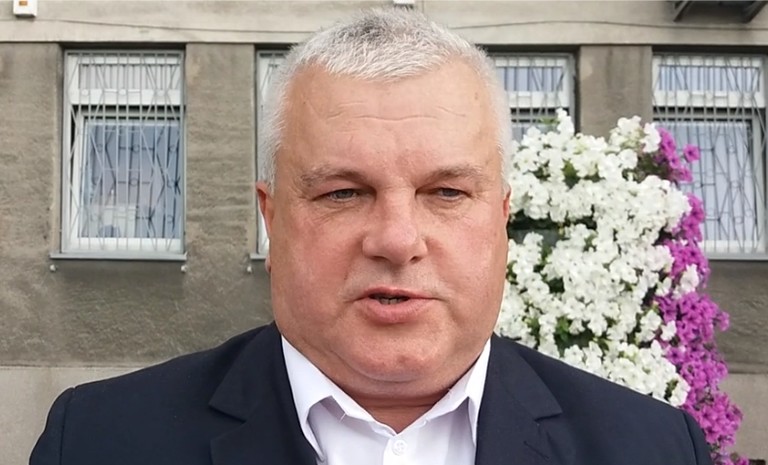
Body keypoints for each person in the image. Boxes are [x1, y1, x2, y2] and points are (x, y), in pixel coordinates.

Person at [31, 8, 713, 465]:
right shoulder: (97, 443)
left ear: (502, 220)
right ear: (273, 219)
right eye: (343, 193)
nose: (396, 238)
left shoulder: (651, 449)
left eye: (446, 192)